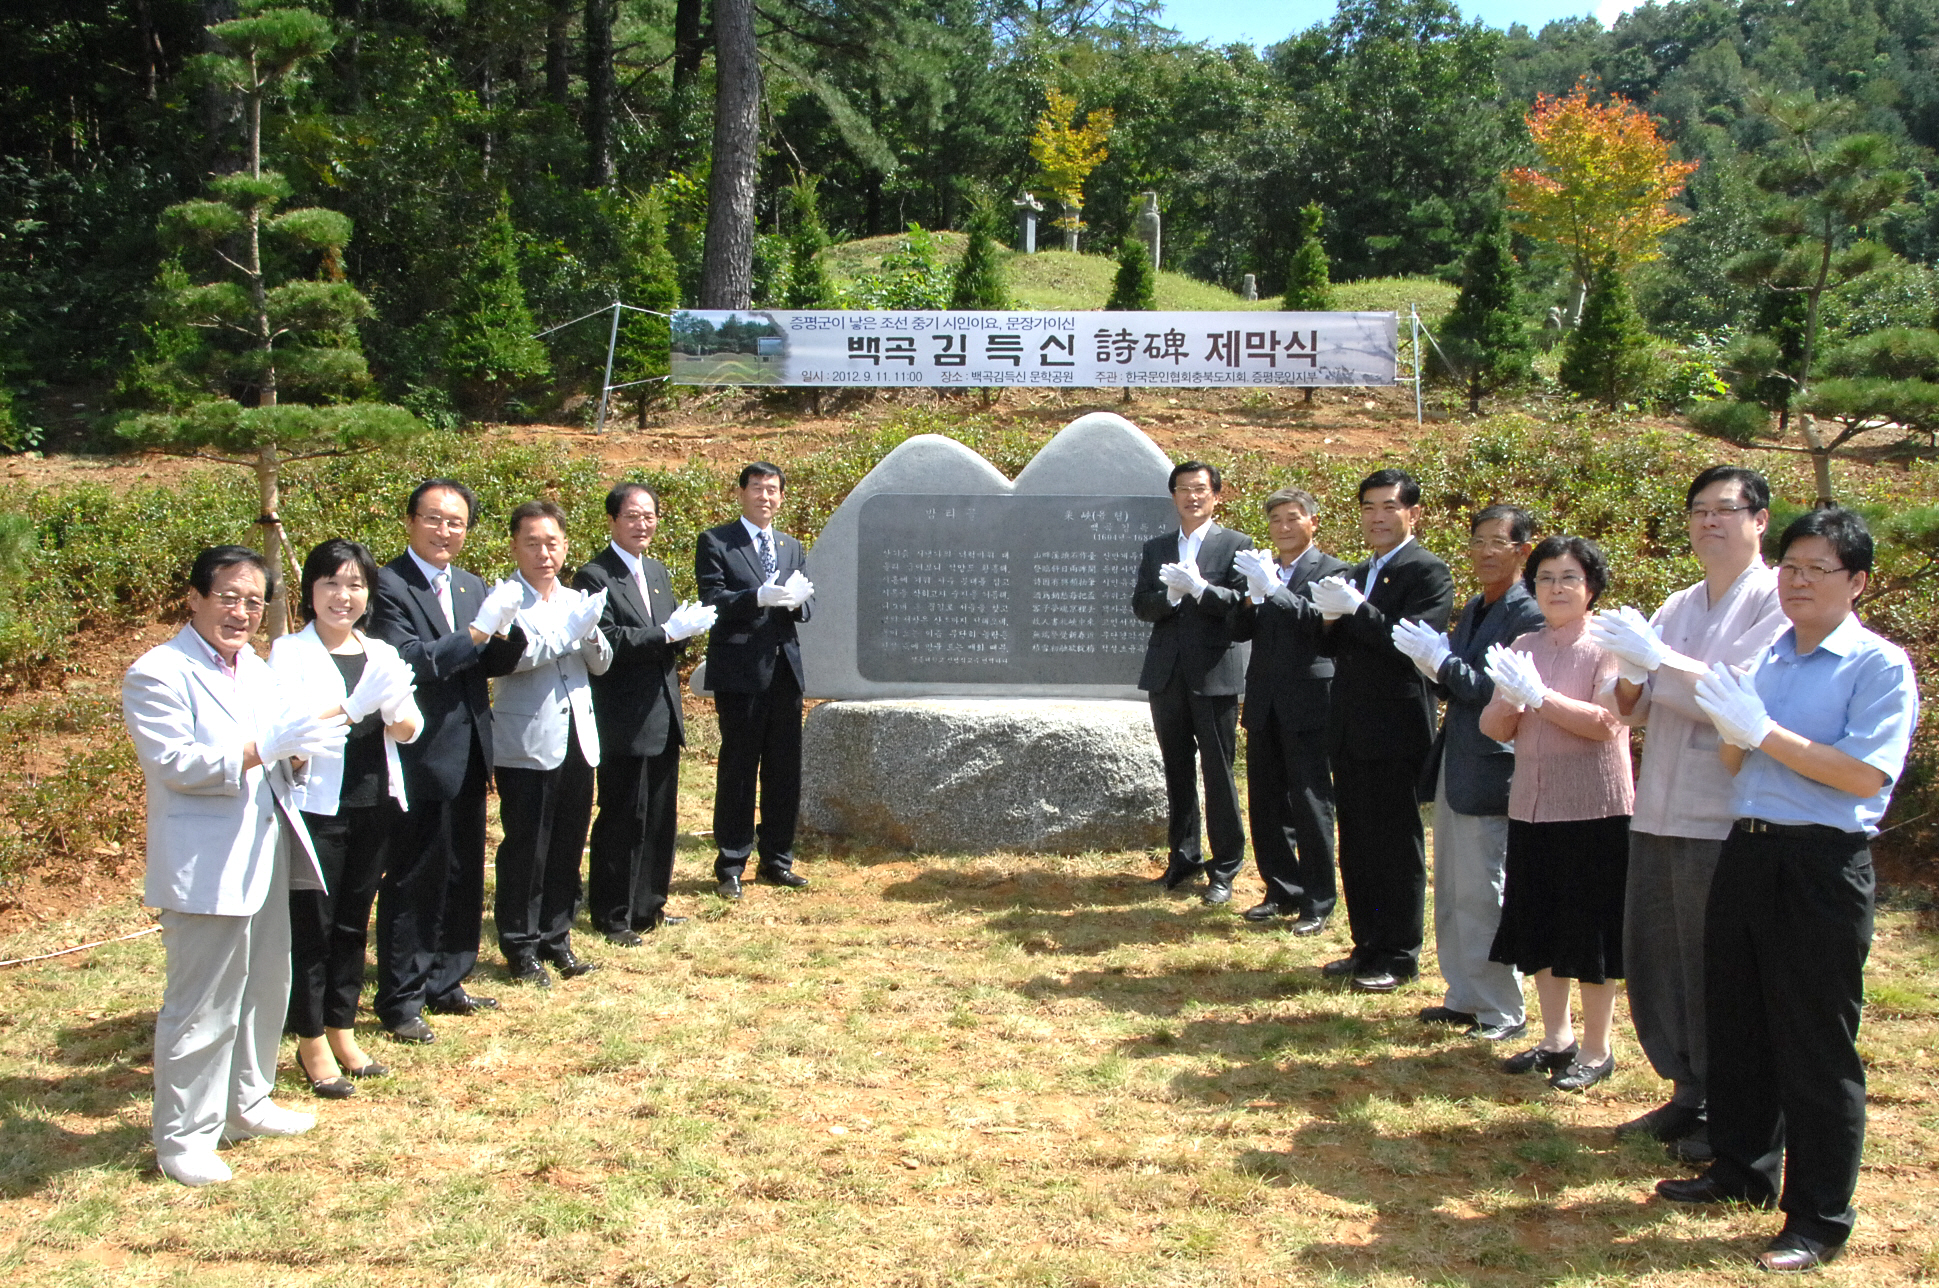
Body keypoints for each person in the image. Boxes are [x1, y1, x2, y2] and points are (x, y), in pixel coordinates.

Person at [1656, 507, 1918, 1274]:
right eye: (1790, 567)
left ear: (1856, 582)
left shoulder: (1876, 665)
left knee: (1813, 1042)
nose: (1796, 581)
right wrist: (1740, 734)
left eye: (1816, 569)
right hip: (1748, 850)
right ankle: (1739, 1169)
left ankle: (1818, 1215)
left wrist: (1762, 733)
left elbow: (1864, 775)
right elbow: (1741, 767)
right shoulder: (1770, 654)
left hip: (1819, 864)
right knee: (1736, 1019)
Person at [123, 546, 344, 1186]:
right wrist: (264, 747)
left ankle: (246, 1102)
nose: (241, 612)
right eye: (227, 597)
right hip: (206, 859)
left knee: (264, 983)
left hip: (268, 844)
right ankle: (183, 1138)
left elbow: (280, 745)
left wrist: (295, 755)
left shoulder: (258, 667)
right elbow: (178, 765)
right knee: (201, 1003)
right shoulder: (158, 673)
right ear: (193, 598)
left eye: (253, 601)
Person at [1591, 465, 1785, 1162]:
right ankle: (1686, 1090)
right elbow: (1628, 705)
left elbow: (1738, 695)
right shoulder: (1678, 602)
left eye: (1724, 509)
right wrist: (1635, 668)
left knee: (1716, 967)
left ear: (1758, 520)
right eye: (1697, 509)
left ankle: (1731, 1108)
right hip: (1660, 807)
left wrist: (1658, 662)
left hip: (1722, 813)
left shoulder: (1773, 599)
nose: (1708, 521)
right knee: (1658, 958)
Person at [369, 479, 526, 1044]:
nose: (445, 531)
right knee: (415, 875)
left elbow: (488, 662)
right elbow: (409, 661)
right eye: (434, 519)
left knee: (462, 871)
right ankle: (401, 997)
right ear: (410, 521)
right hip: (420, 750)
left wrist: (510, 631)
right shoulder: (387, 585)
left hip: (471, 748)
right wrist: (480, 630)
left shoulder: (468, 584)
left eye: (456, 522)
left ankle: (448, 978)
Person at [268, 539, 422, 1098]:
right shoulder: (289, 653)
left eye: (355, 585)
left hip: (374, 801)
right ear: (311, 591)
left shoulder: (379, 652)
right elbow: (295, 731)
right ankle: (309, 1039)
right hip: (316, 807)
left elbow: (410, 728)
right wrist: (357, 707)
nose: (344, 595)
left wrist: (397, 714)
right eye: (332, 583)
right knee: (314, 925)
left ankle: (343, 1027)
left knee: (356, 920)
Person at [1479, 535, 1633, 1092]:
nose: (1556, 588)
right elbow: (1494, 728)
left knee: (1589, 931)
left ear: (1591, 587)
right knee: (1539, 925)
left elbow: (1606, 721)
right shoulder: (1523, 643)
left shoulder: (1606, 646)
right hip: (1532, 807)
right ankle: (1555, 1038)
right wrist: (1512, 699)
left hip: (1594, 808)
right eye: (1545, 578)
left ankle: (1597, 1048)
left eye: (1569, 578)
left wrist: (1541, 697)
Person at [1393, 505, 1543, 1041]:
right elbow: (1456, 685)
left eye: (1496, 543)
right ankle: (1464, 994)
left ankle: (1503, 1008)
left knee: (1486, 891)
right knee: (1454, 889)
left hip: (1492, 768)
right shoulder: (1478, 605)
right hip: (1456, 760)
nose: (1483, 552)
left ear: (1524, 550)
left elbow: (1498, 692)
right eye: (1476, 541)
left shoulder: (1528, 613)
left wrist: (1443, 664)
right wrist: (1433, 666)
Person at [1311, 468, 1455, 990]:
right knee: (1358, 841)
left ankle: (1399, 953)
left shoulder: (1428, 572)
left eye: (1388, 507)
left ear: (1412, 514)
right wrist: (1326, 619)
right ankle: (1366, 942)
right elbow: (1334, 648)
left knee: (1395, 842)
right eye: (1369, 507)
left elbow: (1411, 644)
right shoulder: (1356, 570)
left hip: (1396, 726)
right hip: (1349, 723)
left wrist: (1358, 610)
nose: (1377, 517)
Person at [575, 483, 716, 945]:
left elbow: (668, 634)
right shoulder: (594, 575)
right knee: (621, 815)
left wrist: (687, 629)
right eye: (633, 516)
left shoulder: (655, 570)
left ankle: (649, 906)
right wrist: (666, 632)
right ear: (613, 520)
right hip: (623, 712)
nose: (643, 524)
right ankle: (612, 913)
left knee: (660, 814)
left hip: (663, 710)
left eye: (650, 516)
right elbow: (610, 641)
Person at [488, 500, 614, 985]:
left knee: (567, 843)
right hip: (528, 741)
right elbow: (513, 658)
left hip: (579, 738)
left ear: (565, 546)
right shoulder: (505, 602)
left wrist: (588, 633)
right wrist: (567, 633)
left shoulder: (572, 597)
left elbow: (600, 664)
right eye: (533, 543)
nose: (545, 553)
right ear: (515, 545)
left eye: (553, 543)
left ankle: (556, 938)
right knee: (527, 847)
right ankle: (520, 947)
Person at [1131, 460, 1255, 904]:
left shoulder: (1236, 545)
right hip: (1166, 676)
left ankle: (1225, 867)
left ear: (1216, 495)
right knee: (1177, 770)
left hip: (1214, 676)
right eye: (1183, 489)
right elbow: (1140, 605)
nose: (1192, 497)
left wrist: (1202, 590)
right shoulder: (1157, 547)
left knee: (1219, 774)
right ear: (1173, 497)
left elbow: (1243, 608)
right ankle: (1183, 857)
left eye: (1201, 489)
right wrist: (1168, 596)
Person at [1228, 488, 1347, 930]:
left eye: (1292, 518)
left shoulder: (1333, 570)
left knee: (1311, 802)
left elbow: (1319, 627)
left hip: (1309, 702)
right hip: (1263, 699)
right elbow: (1238, 631)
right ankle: (1281, 889)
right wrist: (1252, 596)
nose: (1283, 527)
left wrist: (1275, 591)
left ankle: (1317, 900)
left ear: (1312, 522)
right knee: (1265, 802)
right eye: (1275, 519)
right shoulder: (1262, 569)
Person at [696, 462, 815, 900]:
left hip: (785, 668)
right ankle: (731, 862)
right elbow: (712, 598)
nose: (766, 496)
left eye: (773, 490)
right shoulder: (716, 541)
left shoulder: (790, 545)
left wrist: (801, 603)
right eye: (758, 488)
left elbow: (807, 601)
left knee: (784, 769)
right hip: (741, 672)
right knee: (739, 768)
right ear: (742, 492)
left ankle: (777, 859)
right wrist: (754, 597)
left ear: (782, 497)